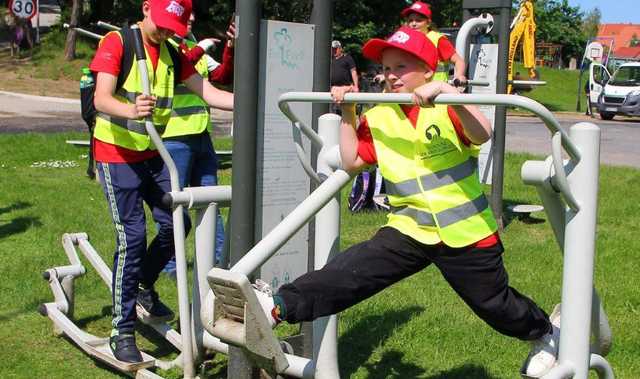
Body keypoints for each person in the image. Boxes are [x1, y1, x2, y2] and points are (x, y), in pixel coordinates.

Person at [257, 26, 560, 378]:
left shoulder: (446, 107)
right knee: (353, 270)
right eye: (387, 68)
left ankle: (546, 333)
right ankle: (276, 306)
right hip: (410, 228)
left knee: (494, 305)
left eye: (401, 67)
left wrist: (448, 91)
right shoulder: (381, 114)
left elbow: (481, 133)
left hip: (466, 233)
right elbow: (353, 161)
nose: (390, 75)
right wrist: (349, 109)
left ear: (428, 70)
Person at [89, 0, 233, 363]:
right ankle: (120, 330)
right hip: (116, 155)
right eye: (165, 23)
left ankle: (141, 283)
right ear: (146, 8)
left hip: (153, 156)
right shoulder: (117, 42)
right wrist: (131, 109)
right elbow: (101, 98)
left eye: (176, 26)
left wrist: (256, 100)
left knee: (177, 221)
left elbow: (209, 93)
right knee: (132, 238)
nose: (168, 31)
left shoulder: (172, 52)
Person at [160, 12, 236, 277]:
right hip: (174, 137)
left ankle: (218, 262)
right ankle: (169, 266)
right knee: (174, 205)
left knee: (211, 200)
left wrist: (231, 46)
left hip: (202, 136)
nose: (190, 21)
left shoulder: (193, 45)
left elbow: (224, 75)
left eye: (192, 18)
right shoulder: (166, 46)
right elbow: (177, 71)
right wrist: (199, 50)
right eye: (186, 18)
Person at [401, 1, 466, 84]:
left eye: (418, 20)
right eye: (410, 21)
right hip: (414, 90)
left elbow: (458, 61)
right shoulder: (406, 41)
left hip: (436, 92)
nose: (413, 24)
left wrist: (459, 76)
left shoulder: (438, 39)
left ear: (428, 23)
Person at [330, 40, 359, 114]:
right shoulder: (330, 60)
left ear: (340, 48)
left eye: (336, 49)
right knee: (333, 113)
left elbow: (353, 72)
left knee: (345, 111)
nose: (334, 51)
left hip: (345, 89)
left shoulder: (347, 58)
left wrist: (356, 86)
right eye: (333, 49)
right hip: (333, 88)